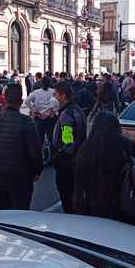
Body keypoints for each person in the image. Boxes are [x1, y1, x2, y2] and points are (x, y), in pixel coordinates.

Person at [74, 112, 135, 225]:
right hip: (123, 206)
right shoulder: (127, 146)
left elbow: (79, 183)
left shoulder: (86, 148)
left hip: (94, 208)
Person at [0, 84, 43, 210]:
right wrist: (37, 171)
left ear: (4, 99)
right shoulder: (26, 122)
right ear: (20, 101)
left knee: (2, 205)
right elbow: (35, 151)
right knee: (21, 209)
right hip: (20, 173)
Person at [52, 82, 86, 213]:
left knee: (67, 196)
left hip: (67, 163)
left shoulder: (67, 114)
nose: (54, 97)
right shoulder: (78, 110)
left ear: (63, 95)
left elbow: (68, 141)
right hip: (77, 159)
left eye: (56, 95)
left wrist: (59, 155)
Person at [24, 76, 59, 164]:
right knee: (52, 138)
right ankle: (53, 157)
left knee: (39, 139)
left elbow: (27, 101)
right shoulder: (53, 92)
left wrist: (34, 111)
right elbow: (58, 103)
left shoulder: (36, 92)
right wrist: (53, 111)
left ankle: (39, 158)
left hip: (39, 117)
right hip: (50, 117)